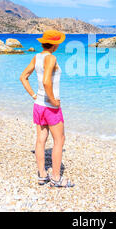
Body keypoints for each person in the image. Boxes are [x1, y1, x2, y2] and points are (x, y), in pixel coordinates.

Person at [20, 30, 74, 188]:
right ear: (55, 44)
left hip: (38, 105)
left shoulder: (37, 57)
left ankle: (42, 175)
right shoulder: (51, 57)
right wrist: (53, 101)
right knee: (59, 140)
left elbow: (23, 77)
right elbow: (46, 81)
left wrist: (34, 95)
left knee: (41, 139)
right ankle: (56, 178)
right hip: (50, 107)